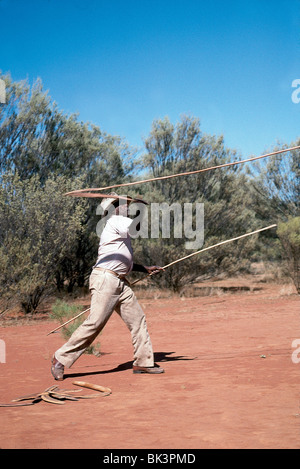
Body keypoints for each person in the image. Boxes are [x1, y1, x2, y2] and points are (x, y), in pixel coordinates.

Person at [51, 193, 164, 380]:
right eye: (123, 204)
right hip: (106, 280)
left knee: (137, 320)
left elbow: (121, 259)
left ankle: (143, 362)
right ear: (113, 208)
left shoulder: (118, 225)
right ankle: (60, 359)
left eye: (128, 204)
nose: (127, 207)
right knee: (94, 323)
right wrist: (142, 209)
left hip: (119, 281)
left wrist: (144, 269)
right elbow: (136, 229)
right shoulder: (115, 220)